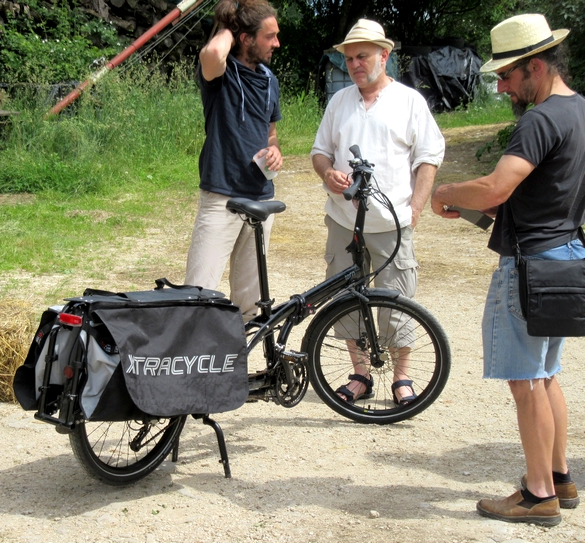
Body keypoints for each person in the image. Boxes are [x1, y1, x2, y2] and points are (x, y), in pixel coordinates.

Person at [431, 13, 584, 527]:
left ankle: (537, 494)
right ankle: (560, 478)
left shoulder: (539, 120)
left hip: (529, 266)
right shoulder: (579, 111)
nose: (500, 86)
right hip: (565, 257)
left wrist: (448, 192)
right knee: (547, 374)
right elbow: (548, 188)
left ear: (535, 67)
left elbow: (497, 188)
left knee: (525, 380)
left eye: (505, 75)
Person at [310, 19, 445, 405]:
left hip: (391, 222)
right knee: (343, 296)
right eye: (349, 58)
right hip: (343, 219)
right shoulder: (339, 102)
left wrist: (416, 206)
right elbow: (319, 152)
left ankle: (401, 378)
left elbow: (429, 158)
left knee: (396, 297)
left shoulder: (409, 101)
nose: (354, 64)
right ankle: (360, 374)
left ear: (384, 56)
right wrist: (328, 172)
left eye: (362, 56)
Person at [185, 0, 282, 321]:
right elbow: (212, 53)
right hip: (221, 196)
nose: (276, 44)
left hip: (261, 198)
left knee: (250, 300)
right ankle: (194, 366)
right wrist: (229, 22)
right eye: (269, 36)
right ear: (245, 39)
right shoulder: (221, 76)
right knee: (199, 292)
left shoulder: (270, 80)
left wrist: (275, 150)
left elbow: (270, 134)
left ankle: (237, 365)